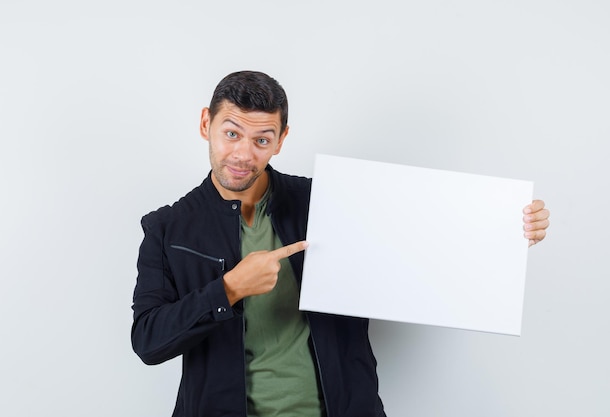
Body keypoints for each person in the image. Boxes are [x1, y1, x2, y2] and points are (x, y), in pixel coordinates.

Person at [131, 70, 551, 417]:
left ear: (281, 139)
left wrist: (506, 236)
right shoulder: (167, 229)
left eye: (261, 139)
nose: (243, 154)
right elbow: (148, 341)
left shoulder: (331, 201)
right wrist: (230, 288)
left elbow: (420, 250)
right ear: (206, 124)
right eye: (231, 133)